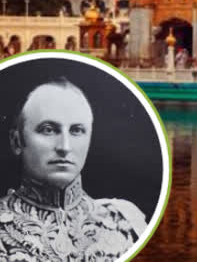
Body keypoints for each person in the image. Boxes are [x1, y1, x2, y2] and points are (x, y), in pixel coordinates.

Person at [1, 76, 148, 260]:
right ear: (16, 141)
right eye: (48, 129)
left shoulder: (125, 223)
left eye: (76, 130)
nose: (64, 146)